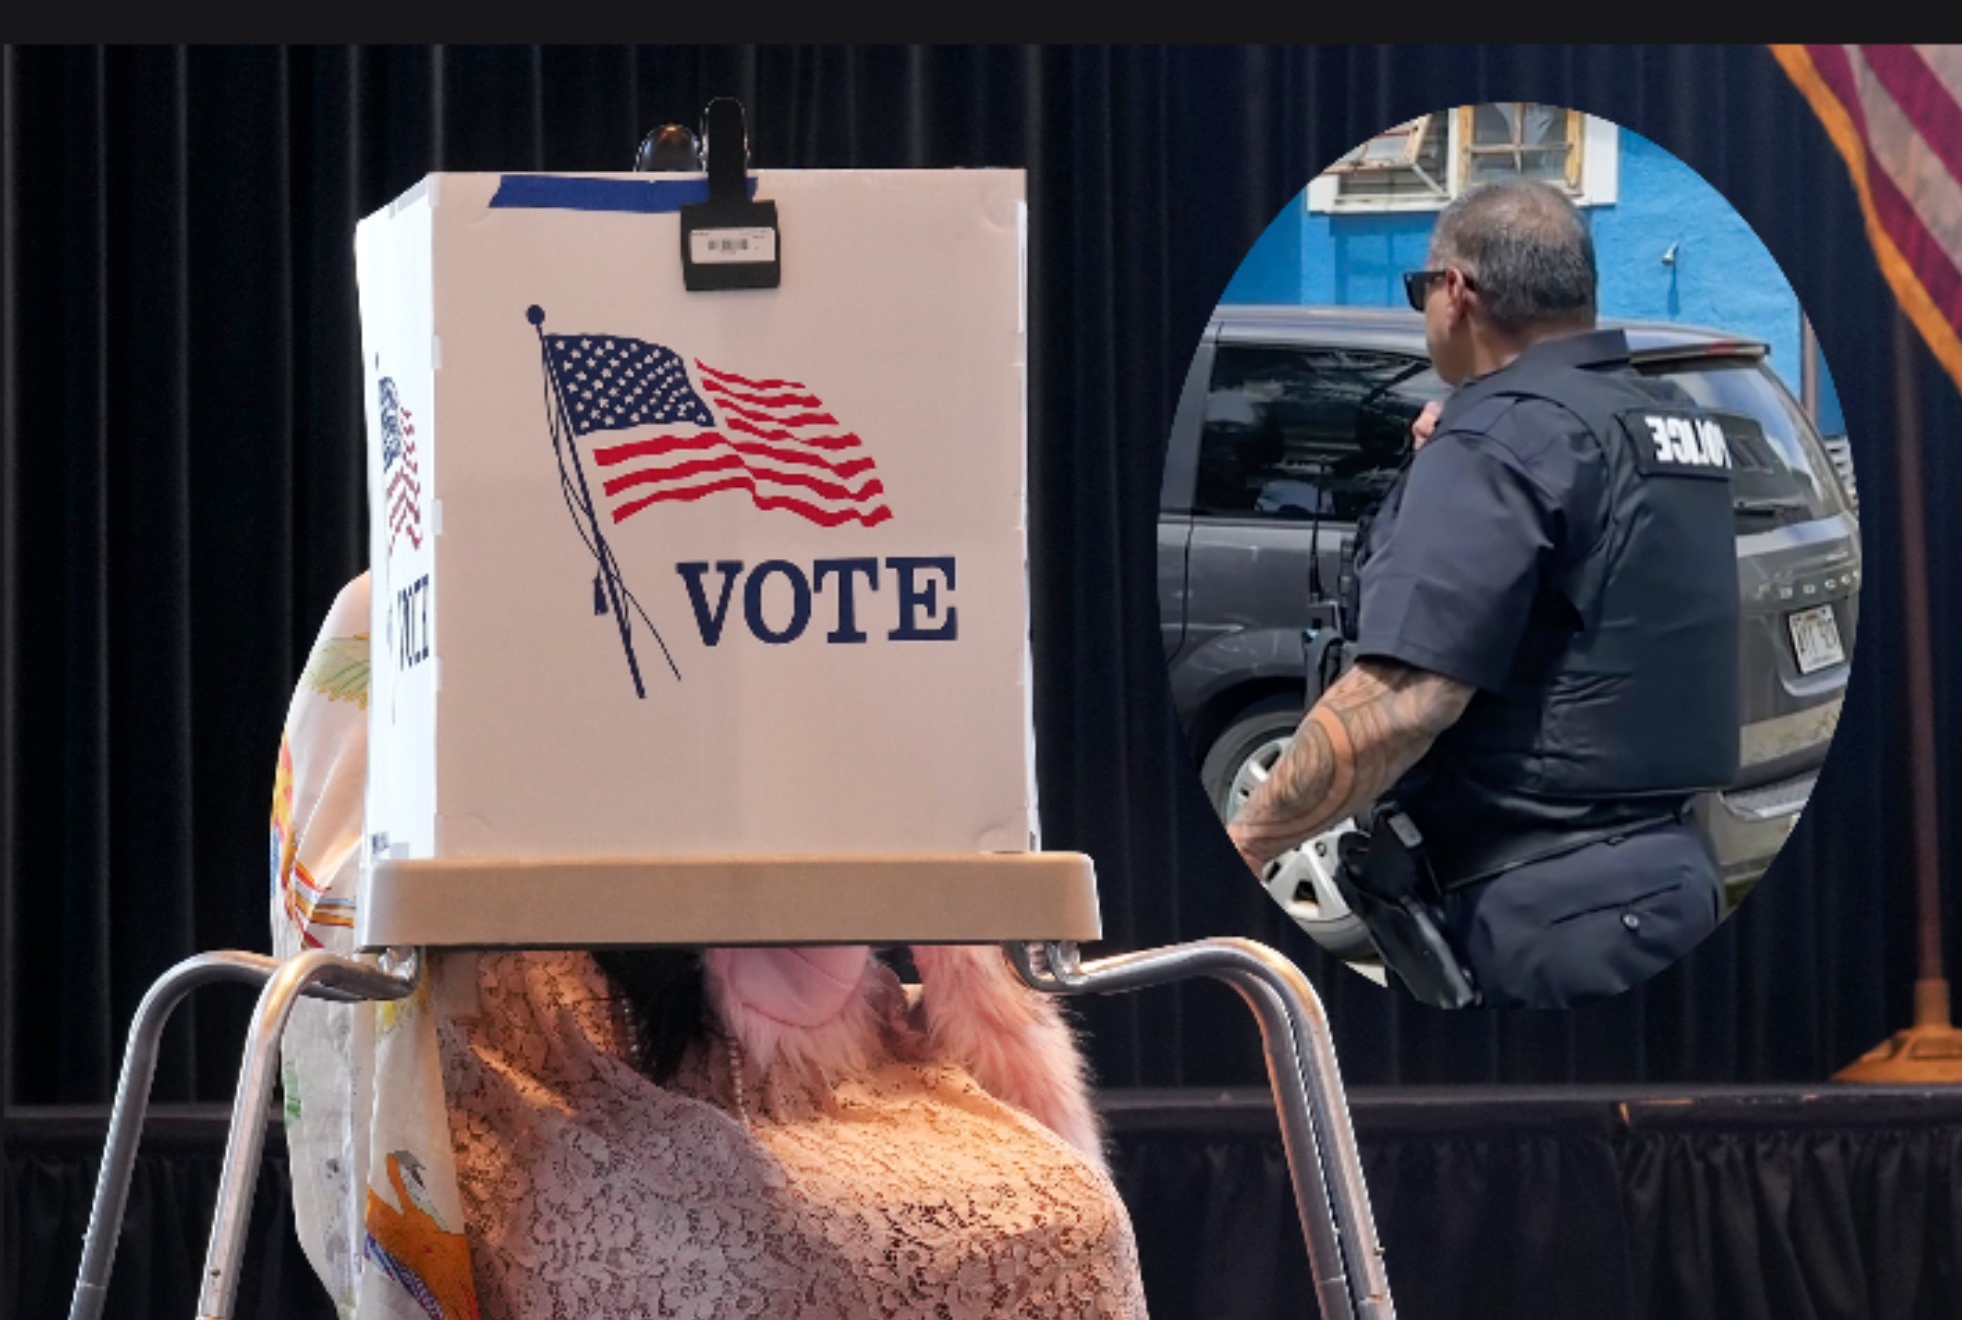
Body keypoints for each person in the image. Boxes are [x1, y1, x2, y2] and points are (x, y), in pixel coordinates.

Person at [272, 572, 1149, 1318]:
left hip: (810, 1066)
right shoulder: (404, 603)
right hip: (522, 1065)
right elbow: (343, 906)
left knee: (1072, 1221)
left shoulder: (785, 594)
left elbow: (888, 841)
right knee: (792, 1266)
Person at [1228, 179, 1740, 1010]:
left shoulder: (1501, 437)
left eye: (1419, 288)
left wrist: (1248, 844)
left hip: (1541, 906)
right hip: (1671, 875)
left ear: (1457, 291)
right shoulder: (1665, 419)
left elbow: (1402, 703)